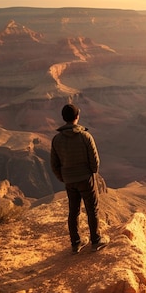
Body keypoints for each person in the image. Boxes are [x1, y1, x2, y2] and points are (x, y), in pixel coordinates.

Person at [50, 103, 109, 254]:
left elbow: (54, 164)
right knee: (92, 210)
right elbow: (95, 161)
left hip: (70, 180)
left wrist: (64, 178)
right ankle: (96, 240)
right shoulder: (85, 136)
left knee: (73, 211)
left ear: (64, 118)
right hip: (86, 178)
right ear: (77, 117)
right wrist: (91, 173)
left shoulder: (56, 139)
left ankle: (75, 243)